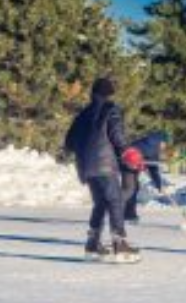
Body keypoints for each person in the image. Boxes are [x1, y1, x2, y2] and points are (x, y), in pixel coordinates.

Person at [64, 77, 141, 264]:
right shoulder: (110, 109)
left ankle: (92, 244)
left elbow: (69, 143)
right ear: (109, 93)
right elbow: (116, 135)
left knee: (100, 203)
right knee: (115, 201)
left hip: (85, 167)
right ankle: (120, 243)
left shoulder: (83, 114)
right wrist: (126, 151)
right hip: (104, 165)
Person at [122, 130, 172, 224]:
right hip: (128, 165)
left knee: (133, 188)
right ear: (161, 141)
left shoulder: (151, 145)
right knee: (129, 189)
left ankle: (129, 215)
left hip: (132, 167)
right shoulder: (151, 146)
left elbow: (152, 168)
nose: (164, 146)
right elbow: (152, 167)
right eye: (165, 143)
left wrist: (159, 184)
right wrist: (158, 184)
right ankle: (117, 211)